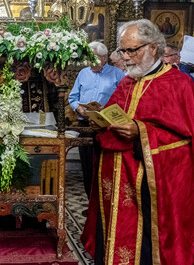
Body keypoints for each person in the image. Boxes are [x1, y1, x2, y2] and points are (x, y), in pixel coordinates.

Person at [82, 19, 194, 265]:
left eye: (132, 50)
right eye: (123, 51)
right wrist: (100, 121)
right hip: (116, 179)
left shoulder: (179, 84)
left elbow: (185, 143)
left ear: (153, 47)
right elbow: (113, 117)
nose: (126, 57)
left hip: (149, 184)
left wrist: (140, 132)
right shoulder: (127, 82)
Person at [69, 42, 125, 198]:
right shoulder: (83, 73)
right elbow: (73, 97)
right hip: (85, 125)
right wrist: (79, 109)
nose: (90, 63)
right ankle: (90, 201)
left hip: (106, 126)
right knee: (87, 166)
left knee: (105, 166)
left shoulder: (117, 74)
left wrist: (105, 110)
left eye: (94, 59)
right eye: (88, 59)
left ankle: (105, 203)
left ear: (105, 57)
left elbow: (124, 99)